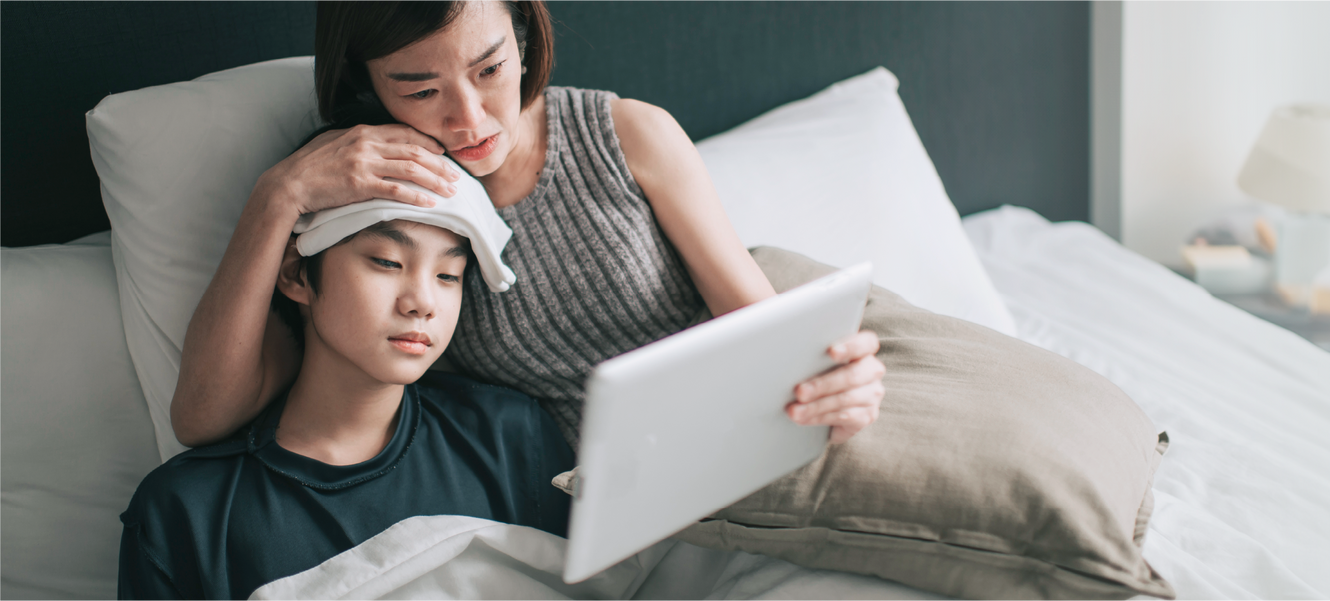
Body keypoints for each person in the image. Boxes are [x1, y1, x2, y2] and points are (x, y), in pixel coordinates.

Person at [169, 0, 886, 450]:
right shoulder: (373, 199)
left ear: (522, 30)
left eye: (489, 69)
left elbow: (763, 333)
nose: (471, 121)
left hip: (739, 425)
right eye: (420, 89)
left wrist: (827, 383)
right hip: (602, 492)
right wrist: (277, 196)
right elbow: (202, 417)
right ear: (367, 85)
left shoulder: (629, 135)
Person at [119, 217, 575, 599]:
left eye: (448, 275)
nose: (423, 303)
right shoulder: (188, 509)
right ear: (298, 275)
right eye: (387, 262)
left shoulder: (508, 435)